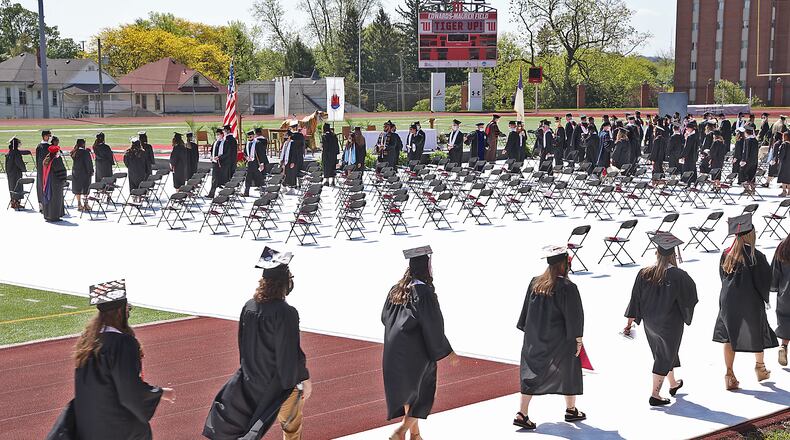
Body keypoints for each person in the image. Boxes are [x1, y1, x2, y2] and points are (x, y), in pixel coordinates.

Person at [203, 247, 310, 440]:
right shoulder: (286, 313)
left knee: (248, 429)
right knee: (291, 428)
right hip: (279, 385)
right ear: (284, 282)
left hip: (251, 382)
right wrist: (302, 379)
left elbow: (242, 345)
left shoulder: (249, 307)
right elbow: (289, 353)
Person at [46, 281, 174, 440]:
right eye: (128, 309)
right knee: (140, 431)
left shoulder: (88, 343)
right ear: (121, 311)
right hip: (117, 428)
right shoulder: (123, 344)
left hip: (90, 427)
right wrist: (159, 393)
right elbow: (129, 392)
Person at [382, 246, 458, 440]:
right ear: (427, 268)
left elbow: (384, 317)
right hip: (415, 353)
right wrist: (447, 351)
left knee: (409, 393)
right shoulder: (424, 293)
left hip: (393, 350)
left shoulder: (396, 290)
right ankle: (400, 432)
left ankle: (415, 435)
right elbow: (433, 325)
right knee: (423, 395)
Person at [514, 246, 585, 430]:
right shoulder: (568, 288)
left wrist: (530, 335)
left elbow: (525, 314)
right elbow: (575, 316)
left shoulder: (535, 283)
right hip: (560, 339)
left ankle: (522, 412)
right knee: (569, 367)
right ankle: (571, 409)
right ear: (564, 265)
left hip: (535, 337)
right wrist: (578, 339)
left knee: (531, 372)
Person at [623, 233, 698, 406]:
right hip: (670, 323)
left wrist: (629, 322)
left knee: (664, 352)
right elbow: (691, 298)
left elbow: (635, 298)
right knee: (664, 355)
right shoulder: (679, 275)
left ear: (656, 253)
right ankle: (655, 395)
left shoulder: (644, 273)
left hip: (650, 323)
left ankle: (673, 383)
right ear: (673, 255)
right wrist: (683, 309)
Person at [713, 215, 778, 390]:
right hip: (750, 300)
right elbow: (765, 281)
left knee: (728, 336)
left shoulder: (726, 254)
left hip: (727, 300)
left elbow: (722, 277)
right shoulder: (756, 256)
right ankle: (760, 368)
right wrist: (764, 298)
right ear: (751, 235)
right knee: (756, 330)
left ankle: (729, 374)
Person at [771, 234, 790, 366]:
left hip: (786, 293)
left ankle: (783, 346)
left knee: (786, 321)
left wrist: (774, 286)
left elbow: (774, 271)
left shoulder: (783, 246)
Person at [40, 138, 67, 222]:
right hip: (56, 183)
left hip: (48, 181)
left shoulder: (47, 159)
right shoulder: (56, 159)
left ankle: (47, 215)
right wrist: (64, 179)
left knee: (49, 198)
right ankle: (54, 216)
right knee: (55, 199)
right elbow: (62, 170)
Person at [208, 128, 234, 197]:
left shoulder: (226, 143)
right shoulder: (215, 142)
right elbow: (211, 151)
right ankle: (211, 194)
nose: (217, 136)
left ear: (222, 135)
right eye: (216, 135)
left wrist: (219, 157)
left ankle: (224, 195)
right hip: (215, 164)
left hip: (223, 164)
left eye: (218, 134)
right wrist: (211, 157)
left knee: (224, 179)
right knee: (214, 179)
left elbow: (227, 153)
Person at [70, 138, 94, 211]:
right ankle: (86, 204)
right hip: (84, 173)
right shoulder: (85, 153)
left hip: (76, 172)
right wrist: (91, 171)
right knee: (86, 188)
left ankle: (79, 204)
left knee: (77, 189)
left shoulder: (74, 152)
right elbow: (88, 163)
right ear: (83, 144)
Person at [244, 128, 269, 197]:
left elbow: (262, 154)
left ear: (254, 136)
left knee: (259, 177)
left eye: (251, 136)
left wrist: (262, 163)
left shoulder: (258, 143)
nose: (249, 138)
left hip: (257, 163)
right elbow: (245, 153)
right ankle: (246, 192)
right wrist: (246, 157)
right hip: (250, 163)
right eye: (248, 137)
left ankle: (263, 192)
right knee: (248, 178)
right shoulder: (247, 143)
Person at [5, 137, 27, 210]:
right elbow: (19, 162)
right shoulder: (16, 152)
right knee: (17, 187)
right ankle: (16, 203)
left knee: (12, 187)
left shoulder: (9, 152)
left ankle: (13, 202)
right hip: (16, 173)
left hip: (10, 173)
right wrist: (24, 169)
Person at [36, 129, 52, 211]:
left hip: (45, 170)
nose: (49, 137)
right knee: (41, 186)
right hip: (42, 170)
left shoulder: (48, 146)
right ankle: (42, 204)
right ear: (44, 136)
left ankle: (45, 203)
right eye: (48, 136)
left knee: (44, 186)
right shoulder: (41, 146)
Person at [740, 127, 760, 195]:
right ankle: (753, 189)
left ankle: (747, 189)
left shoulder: (747, 140)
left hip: (747, 161)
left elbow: (746, 151)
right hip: (754, 160)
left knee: (743, 174)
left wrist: (744, 160)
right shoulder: (755, 140)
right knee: (752, 174)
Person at [776, 132, 790, 197]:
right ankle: (789, 191)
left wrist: (779, 160)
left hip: (784, 163)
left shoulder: (784, 144)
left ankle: (784, 191)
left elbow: (781, 155)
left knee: (783, 177)